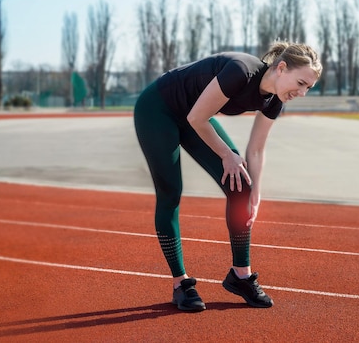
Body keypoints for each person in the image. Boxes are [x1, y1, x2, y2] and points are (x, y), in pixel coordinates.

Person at [134, 41, 322, 311]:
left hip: (192, 115)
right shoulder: (240, 71)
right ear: (282, 68)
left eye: (309, 88)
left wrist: (254, 194)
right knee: (170, 192)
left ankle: (240, 276)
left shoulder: (275, 99)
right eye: (301, 83)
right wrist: (226, 154)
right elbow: (198, 117)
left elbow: (255, 150)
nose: (303, 93)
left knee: (242, 187)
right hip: (158, 109)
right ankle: (181, 284)